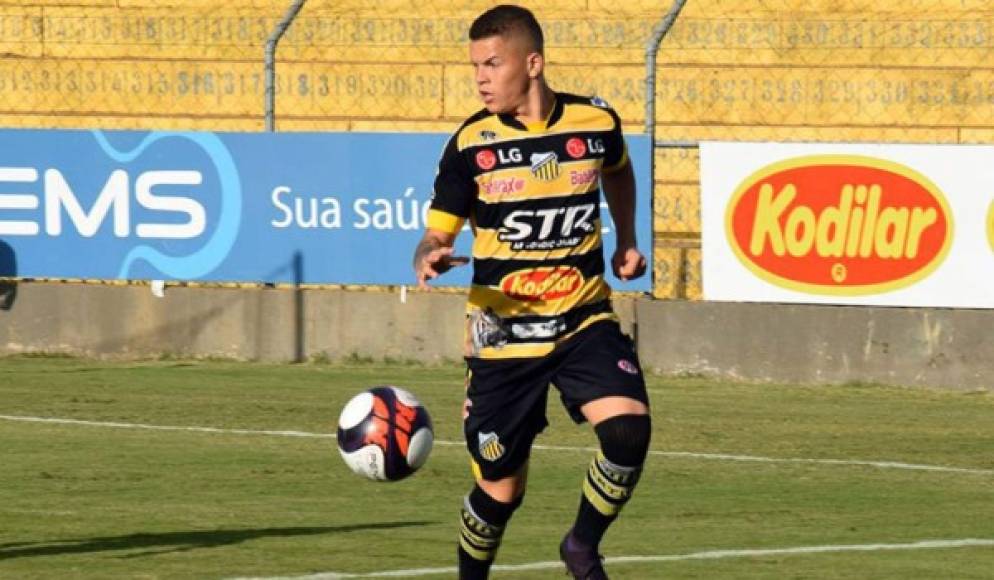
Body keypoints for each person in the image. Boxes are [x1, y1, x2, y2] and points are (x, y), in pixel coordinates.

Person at [412, 5, 651, 579]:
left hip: (582, 319)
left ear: (533, 63)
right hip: (502, 340)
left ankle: (581, 545)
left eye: (493, 63)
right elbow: (435, 231)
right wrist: (429, 253)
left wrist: (628, 235)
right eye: (476, 66)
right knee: (500, 493)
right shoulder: (472, 143)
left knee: (628, 431)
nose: (481, 77)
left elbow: (617, 169)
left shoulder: (594, 122)